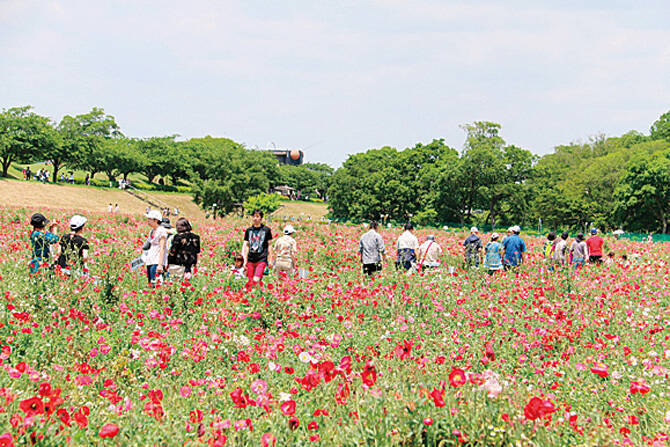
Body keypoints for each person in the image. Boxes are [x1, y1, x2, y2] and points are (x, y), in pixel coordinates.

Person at [242, 210, 273, 288]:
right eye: (254, 216)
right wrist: (245, 260)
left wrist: (270, 260)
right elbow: (246, 246)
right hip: (250, 259)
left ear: (261, 218)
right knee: (250, 281)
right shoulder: (249, 231)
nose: (255, 218)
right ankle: (256, 296)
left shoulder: (266, 230)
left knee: (256, 280)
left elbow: (269, 245)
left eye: (257, 216)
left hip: (261, 259)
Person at [144, 209, 168, 285]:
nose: (148, 221)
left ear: (156, 220)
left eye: (149, 219)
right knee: (150, 282)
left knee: (156, 283)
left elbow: (162, 248)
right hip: (150, 259)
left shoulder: (161, 231)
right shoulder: (152, 230)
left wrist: (160, 265)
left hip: (157, 261)